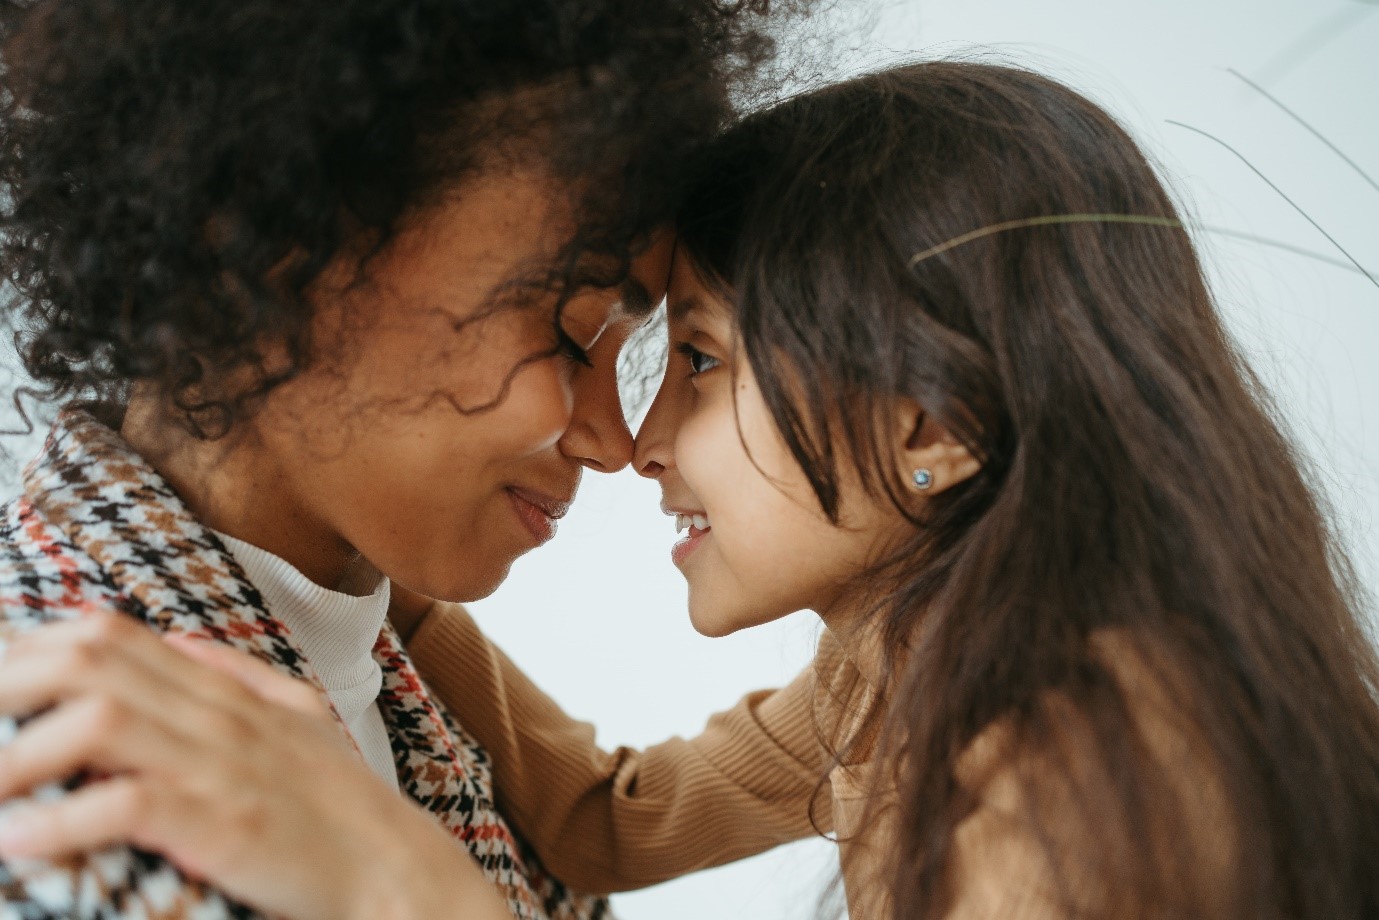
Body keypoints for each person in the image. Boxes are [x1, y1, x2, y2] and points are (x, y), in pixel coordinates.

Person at [6, 59, 1379, 920]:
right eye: (571, 326)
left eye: (695, 359)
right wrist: (379, 603)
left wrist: (394, 888)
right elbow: (608, 817)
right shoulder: (885, 683)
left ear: (934, 427)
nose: (632, 441)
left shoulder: (1080, 769)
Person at [0, 1, 820, 918]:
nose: (612, 441)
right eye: (571, 327)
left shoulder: (389, 668)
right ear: (276, 253)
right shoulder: (61, 767)